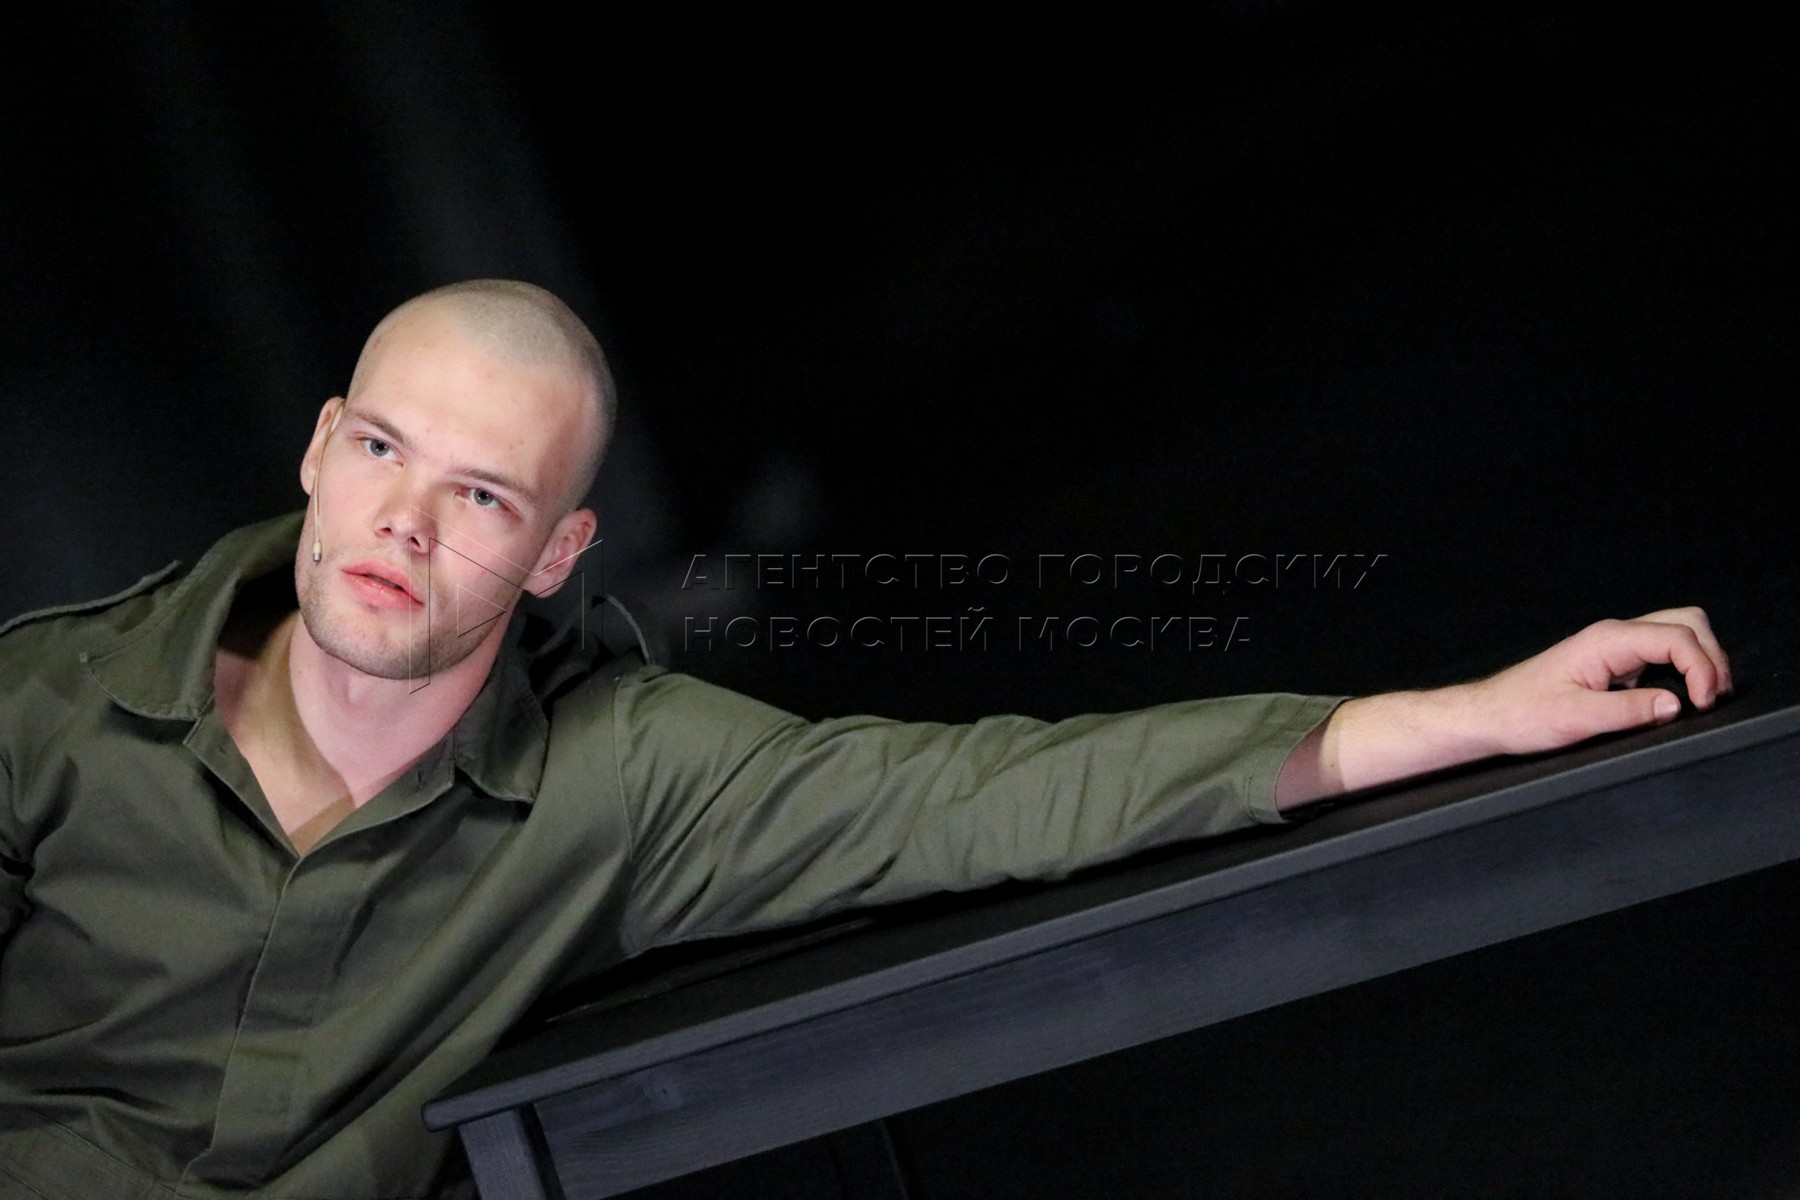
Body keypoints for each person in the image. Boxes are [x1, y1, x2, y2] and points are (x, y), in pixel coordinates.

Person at [0, 280, 1731, 1200]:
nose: (406, 523)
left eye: (483, 496)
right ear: (319, 448)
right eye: (382, 451)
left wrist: (1468, 711)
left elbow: (994, 793)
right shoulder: (51, 707)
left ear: (559, 553)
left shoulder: (625, 774)